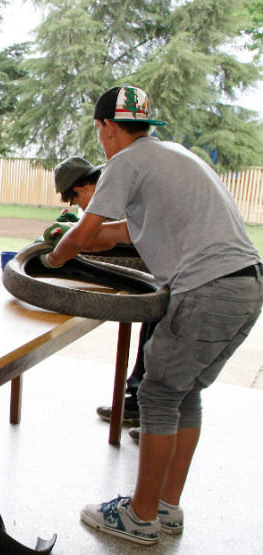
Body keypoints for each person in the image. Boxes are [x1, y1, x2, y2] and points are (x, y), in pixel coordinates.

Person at [41, 85, 262, 546]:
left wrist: (52, 260)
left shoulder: (126, 161)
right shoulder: (172, 154)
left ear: (105, 127)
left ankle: (139, 516)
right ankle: (167, 509)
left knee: (158, 396)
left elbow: (84, 236)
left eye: (100, 129)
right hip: (246, 284)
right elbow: (119, 232)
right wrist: (80, 236)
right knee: (185, 394)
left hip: (206, 288)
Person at [49, 156, 151, 433]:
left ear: (81, 190)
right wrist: (73, 234)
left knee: (163, 348)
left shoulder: (111, 196)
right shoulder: (114, 189)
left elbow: (103, 240)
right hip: (169, 273)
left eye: (75, 201)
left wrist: (57, 253)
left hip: (183, 273)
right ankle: (140, 404)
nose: (79, 208)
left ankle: (154, 417)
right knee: (153, 335)